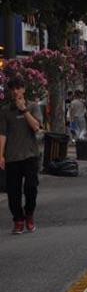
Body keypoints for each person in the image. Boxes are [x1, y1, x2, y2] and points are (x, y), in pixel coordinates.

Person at [0, 77, 43, 233]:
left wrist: (24, 110)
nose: (16, 91)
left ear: (24, 89)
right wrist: (1, 155)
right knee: (13, 192)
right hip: (12, 156)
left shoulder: (33, 106)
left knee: (31, 188)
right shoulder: (5, 111)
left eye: (18, 88)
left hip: (30, 155)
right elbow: (2, 134)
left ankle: (29, 214)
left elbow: (36, 127)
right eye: (13, 89)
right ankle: (18, 219)